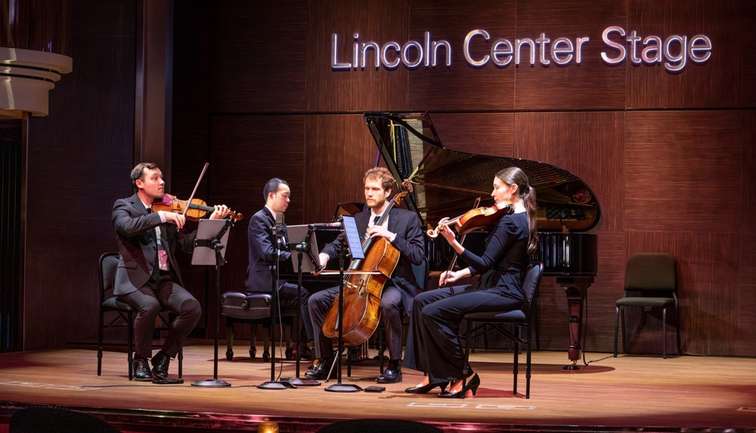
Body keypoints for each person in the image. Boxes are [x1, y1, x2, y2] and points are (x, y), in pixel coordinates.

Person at [405, 166, 537, 398]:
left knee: (432, 312)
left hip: (503, 291)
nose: (492, 193)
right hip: (491, 285)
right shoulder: (514, 218)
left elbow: (485, 262)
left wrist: (453, 241)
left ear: (513, 189)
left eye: (497, 187)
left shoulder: (512, 223)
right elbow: (493, 261)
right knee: (420, 301)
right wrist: (459, 274)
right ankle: (432, 374)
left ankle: (463, 374)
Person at [112, 162, 231, 382]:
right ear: (139, 183)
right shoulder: (124, 206)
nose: (162, 182)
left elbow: (185, 245)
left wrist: (208, 223)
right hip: (134, 279)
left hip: (162, 279)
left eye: (162, 178)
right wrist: (161, 218)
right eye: (155, 178)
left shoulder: (168, 208)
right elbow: (126, 227)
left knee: (192, 307)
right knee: (150, 306)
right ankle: (140, 360)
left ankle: (164, 357)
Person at [306, 167, 425, 383]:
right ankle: (325, 360)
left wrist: (391, 236)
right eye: (366, 189)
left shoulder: (407, 220)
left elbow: (418, 255)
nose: (368, 193)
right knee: (316, 301)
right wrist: (324, 255)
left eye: (374, 189)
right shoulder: (359, 219)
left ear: (388, 192)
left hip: (394, 284)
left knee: (389, 304)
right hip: (358, 282)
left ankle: (394, 364)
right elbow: (338, 244)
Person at [246, 178, 313, 354]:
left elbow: (284, 249)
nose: (289, 200)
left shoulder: (279, 220)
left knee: (310, 289)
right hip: (264, 279)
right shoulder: (259, 219)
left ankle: (306, 343)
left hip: (279, 276)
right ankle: (304, 344)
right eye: (285, 196)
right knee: (304, 293)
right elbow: (267, 253)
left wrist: (299, 255)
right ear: (271, 195)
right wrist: (295, 256)